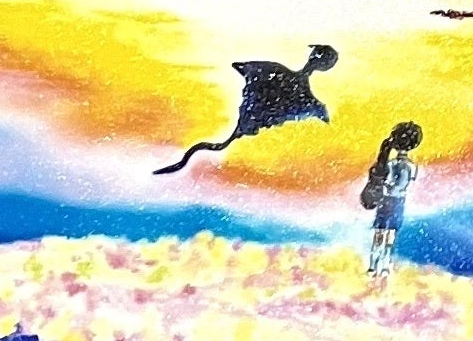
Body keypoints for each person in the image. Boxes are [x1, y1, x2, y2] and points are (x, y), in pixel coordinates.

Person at [153, 43, 341, 173]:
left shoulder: (274, 71)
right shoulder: (309, 101)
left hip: (251, 128)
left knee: (223, 147)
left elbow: (240, 66)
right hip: (251, 128)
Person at [361, 119, 422, 282]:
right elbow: (406, 185)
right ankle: (384, 267)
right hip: (398, 202)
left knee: (379, 235)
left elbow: (385, 182)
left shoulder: (389, 163)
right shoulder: (411, 166)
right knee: (389, 238)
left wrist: (385, 187)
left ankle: (373, 267)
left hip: (385, 200)